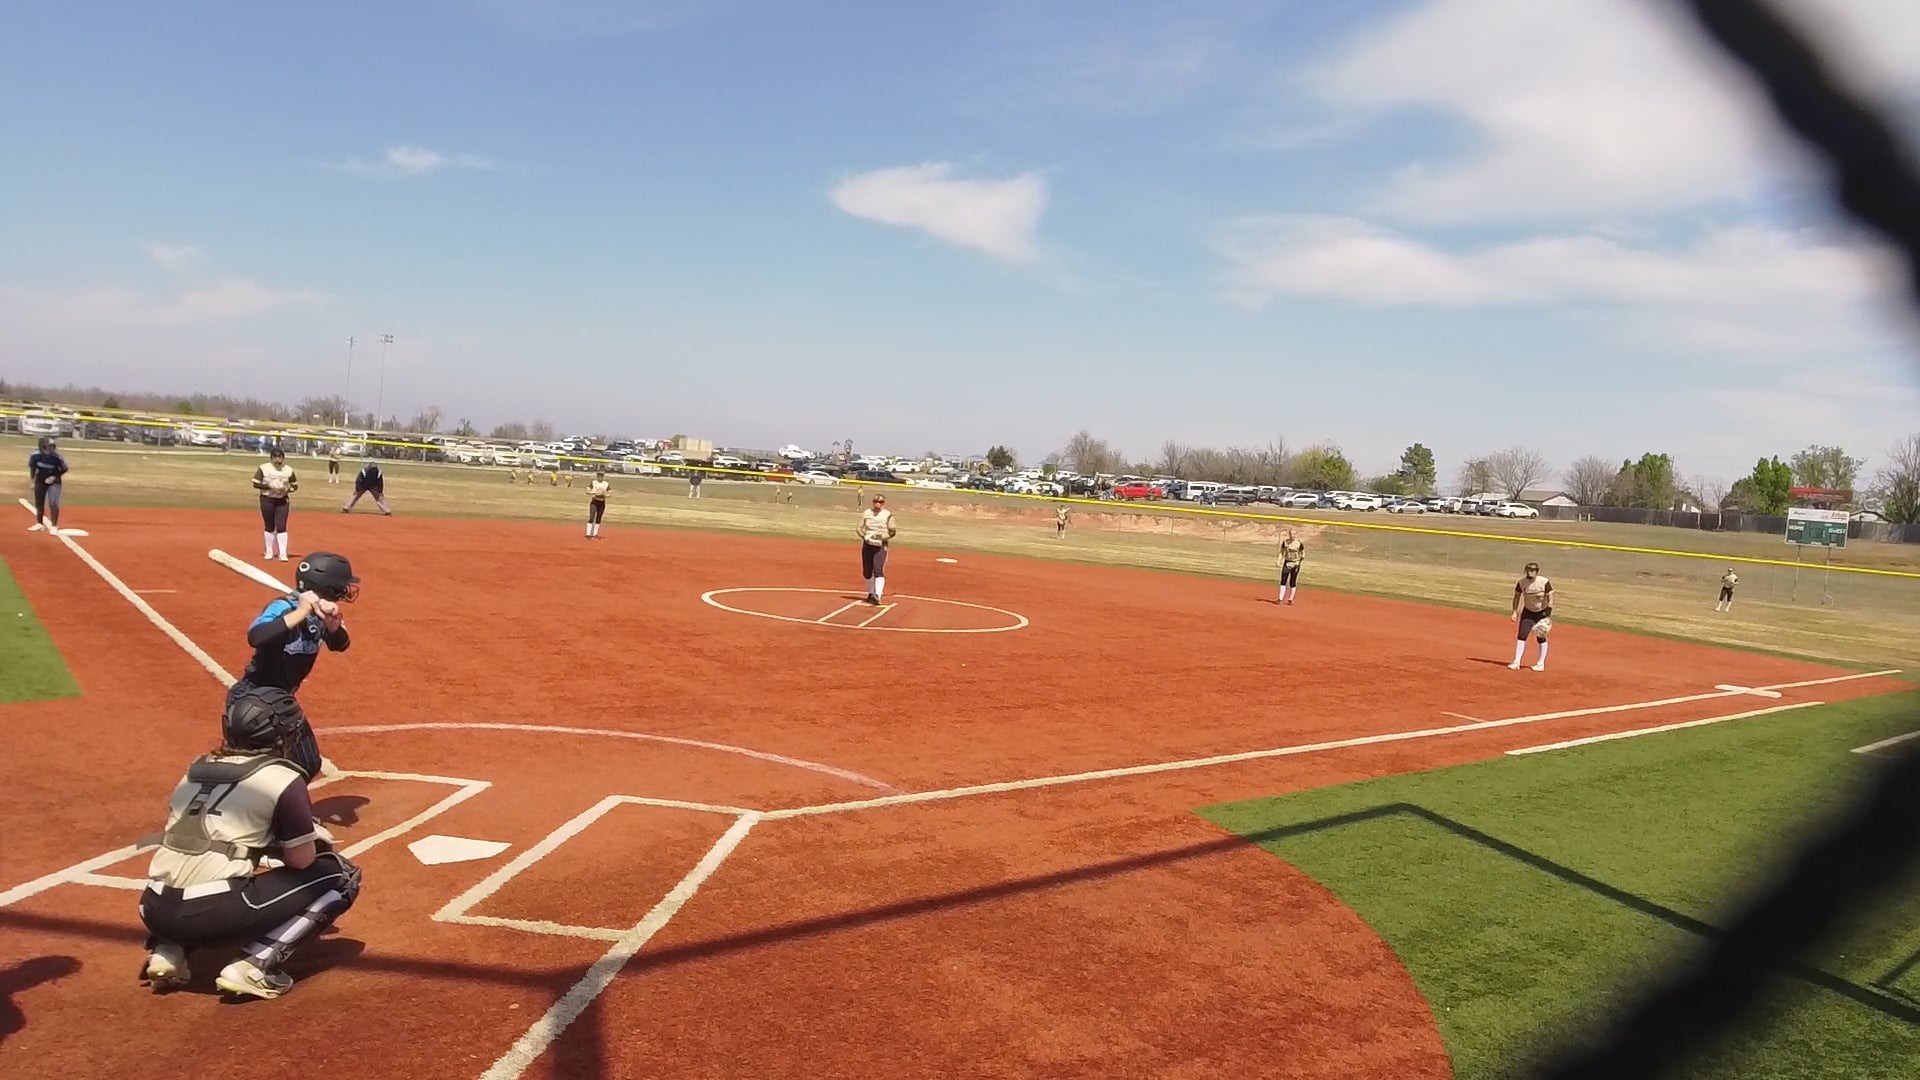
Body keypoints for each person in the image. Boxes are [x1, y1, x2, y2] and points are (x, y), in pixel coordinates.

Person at [138, 686, 362, 1000]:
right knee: (342, 876)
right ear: (283, 736)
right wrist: (308, 839)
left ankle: (167, 950)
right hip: (213, 914)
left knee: (198, 864)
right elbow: (300, 860)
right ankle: (254, 967)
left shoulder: (194, 770)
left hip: (153, 910)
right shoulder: (282, 778)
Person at [228, 552, 359, 779]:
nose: (345, 590)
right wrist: (301, 612)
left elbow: (340, 645)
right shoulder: (282, 606)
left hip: (281, 701)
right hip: (252, 699)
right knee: (257, 769)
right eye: (341, 585)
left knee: (308, 763)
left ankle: (276, 800)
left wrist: (333, 626)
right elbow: (256, 636)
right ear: (326, 585)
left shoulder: (322, 612)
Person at [251, 448, 298, 561]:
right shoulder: (264, 468)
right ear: (271, 458)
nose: (278, 460)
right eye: (275, 457)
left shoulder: (288, 470)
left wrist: (287, 490)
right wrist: (270, 487)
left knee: (282, 526)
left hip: (282, 500)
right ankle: (269, 551)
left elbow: (295, 485)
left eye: (280, 457)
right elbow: (255, 484)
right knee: (269, 526)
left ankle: (283, 553)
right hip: (267, 499)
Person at [1509, 561, 1553, 671]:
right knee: (1522, 635)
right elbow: (1517, 597)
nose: (1530, 572)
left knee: (1541, 637)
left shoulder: (1544, 582)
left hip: (1541, 613)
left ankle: (1540, 663)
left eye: (1533, 570)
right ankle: (1517, 661)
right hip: (1528, 612)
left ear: (1537, 571)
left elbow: (1550, 599)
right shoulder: (1522, 583)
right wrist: (1514, 611)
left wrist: (1547, 615)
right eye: (1528, 570)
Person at [857, 492, 897, 605]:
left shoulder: (887, 515)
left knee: (878, 569)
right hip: (868, 544)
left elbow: (892, 531)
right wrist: (865, 537)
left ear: (884, 503)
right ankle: (871, 593)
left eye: (880, 502)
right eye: (875, 501)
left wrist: (882, 538)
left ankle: (877, 595)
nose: (877, 504)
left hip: (880, 545)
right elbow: (859, 528)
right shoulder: (867, 513)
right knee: (867, 571)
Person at [27, 436, 68, 534]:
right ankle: (39, 523)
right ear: (42, 446)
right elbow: (33, 468)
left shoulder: (57, 457)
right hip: (40, 479)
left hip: (54, 480)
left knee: (53, 502)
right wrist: (32, 481)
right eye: (49, 446)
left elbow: (64, 468)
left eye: (53, 446)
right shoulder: (35, 455)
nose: (52, 448)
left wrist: (54, 477)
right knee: (39, 502)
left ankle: (54, 525)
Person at [1277, 530, 1306, 605]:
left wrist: (1299, 560)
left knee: (1292, 581)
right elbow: (1282, 552)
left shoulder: (1299, 544)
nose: (1291, 535)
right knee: (1283, 580)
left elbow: (1303, 553)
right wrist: (1279, 560)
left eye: (1293, 534)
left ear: (1296, 535)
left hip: (1295, 563)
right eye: (1290, 534)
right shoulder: (1285, 542)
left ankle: (1290, 599)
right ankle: (1280, 598)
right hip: (1287, 562)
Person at [586, 471, 611, 538]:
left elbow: (609, 493)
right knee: (591, 518)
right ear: (597, 476)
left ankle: (595, 534)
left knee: (598, 518)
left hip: (601, 502)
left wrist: (603, 494)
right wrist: (594, 493)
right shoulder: (594, 482)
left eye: (601, 476)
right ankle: (588, 534)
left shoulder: (606, 484)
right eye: (599, 475)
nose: (600, 477)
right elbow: (587, 491)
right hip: (594, 501)